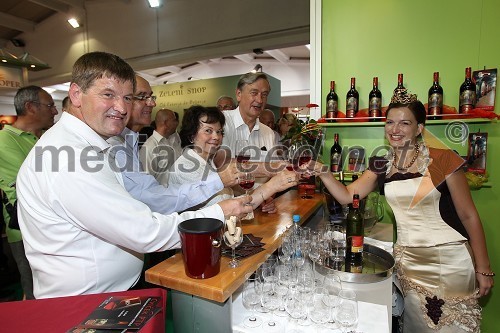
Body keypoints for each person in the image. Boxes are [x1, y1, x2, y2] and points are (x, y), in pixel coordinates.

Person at [16, 51, 253, 299]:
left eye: (127, 97)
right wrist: (219, 212)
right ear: (76, 94)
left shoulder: (91, 145)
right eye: (108, 94)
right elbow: (144, 231)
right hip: (88, 303)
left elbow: (144, 200)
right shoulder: (69, 157)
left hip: (108, 293)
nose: (121, 108)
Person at [312, 89, 493, 332]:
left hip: (450, 262)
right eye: (390, 123)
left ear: (419, 128)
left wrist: (484, 269)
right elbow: (347, 196)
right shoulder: (381, 163)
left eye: (404, 123)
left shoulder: (442, 159)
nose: (394, 129)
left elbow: (468, 215)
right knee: (416, 325)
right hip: (408, 263)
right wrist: (323, 171)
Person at [108, 75, 241, 214]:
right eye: (142, 97)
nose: (152, 103)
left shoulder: (134, 142)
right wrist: (219, 180)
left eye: (219, 132)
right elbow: (149, 199)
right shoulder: (122, 147)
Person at [168, 105, 297, 210]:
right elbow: (228, 209)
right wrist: (271, 187)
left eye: (219, 132)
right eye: (208, 131)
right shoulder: (187, 167)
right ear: (192, 135)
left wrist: (265, 197)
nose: (216, 137)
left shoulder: (208, 163)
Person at [0, 85, 58, 300]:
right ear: (30, 107)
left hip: (52, 226)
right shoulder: (4, 141)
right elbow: (34, 184)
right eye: (50, 105)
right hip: (25, 231)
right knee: (35, 295)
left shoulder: (47, 138)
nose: (55, 111)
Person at [221, 72, 279, 212]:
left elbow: (274, 173)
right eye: (254, 93)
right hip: (226, 212)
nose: (259, 100)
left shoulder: (268, 133)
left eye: (264, 95)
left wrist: (268, 197)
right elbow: (222, 166)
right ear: (238, 94)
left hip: (257, 209)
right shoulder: (221, 123)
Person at [139, 108, 182, 185]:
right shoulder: (149, 147)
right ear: (166, 123)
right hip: (161, 194)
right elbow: (146, 180)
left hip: (178, 192)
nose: (177, 123)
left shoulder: (174, 140)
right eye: (174, 120)